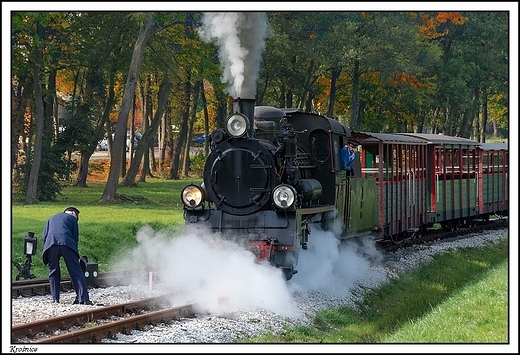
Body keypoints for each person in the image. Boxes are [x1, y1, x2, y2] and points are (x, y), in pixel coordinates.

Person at [42, 207, 93, 305]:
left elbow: (44, 236)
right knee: (75, 270)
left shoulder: (51, 218)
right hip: (67, 243)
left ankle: (55, 298)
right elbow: (75, 238)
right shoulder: (72, 219)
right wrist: (76, 255)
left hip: (51, 244)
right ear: (73, 213)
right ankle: (84, 299)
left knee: (53, 271)